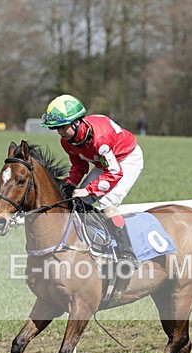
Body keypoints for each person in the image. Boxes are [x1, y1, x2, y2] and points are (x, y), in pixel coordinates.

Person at [40, 94, 144, 263]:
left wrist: (87, 190)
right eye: (56, 128)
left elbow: (114, 173)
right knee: (76, 202)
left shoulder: (99, 140)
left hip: (127, 160)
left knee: (107, 204)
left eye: (62, 127)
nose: (59, 132)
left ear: (76, 122)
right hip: (104, 163)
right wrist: (69, 183)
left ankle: (127, 254)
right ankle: (90, 244)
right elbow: (79, 167)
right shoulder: (67, 141)